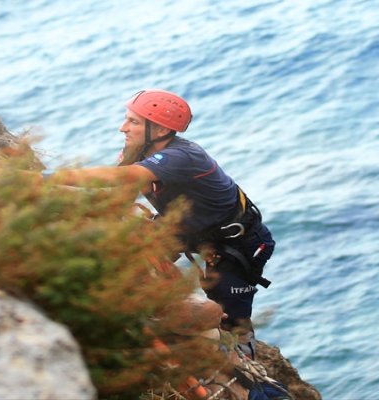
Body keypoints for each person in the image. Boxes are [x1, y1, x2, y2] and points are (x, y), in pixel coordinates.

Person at [47, 89, 274, 356]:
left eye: (133, 122)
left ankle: (243, 350)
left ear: (159, 130)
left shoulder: (183, 157)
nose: (123, 128)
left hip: (239, 242)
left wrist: (48, 179)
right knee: (126, 256)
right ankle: (149, 311)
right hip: (187, 230)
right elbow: (119, 198)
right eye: (126, 119)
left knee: (228, 307)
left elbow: (124, 178)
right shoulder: (137, 152)